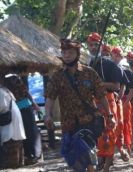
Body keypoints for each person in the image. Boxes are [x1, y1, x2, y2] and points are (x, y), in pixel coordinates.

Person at [44, 39, 115, 172]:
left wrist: (110, 115)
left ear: (77, 54)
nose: (67, 55)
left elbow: (101, 96)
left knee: (89, 158)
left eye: (70, 52)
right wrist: (47, 115)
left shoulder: (90, 73)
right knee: (76, 162)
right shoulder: (57, 76)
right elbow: (50, 98)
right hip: (68, 124)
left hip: (88, 122)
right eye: (64, 52)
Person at [87, 33, 123, 171]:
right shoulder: (86, 63)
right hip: (91, 103)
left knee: (108, 133)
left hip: (107, 101)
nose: (93, 47)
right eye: (91, 45)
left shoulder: (109, 64)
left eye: (96, 45)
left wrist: (99, 84)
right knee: (94, 135)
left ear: (101, 46)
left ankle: (107, 167)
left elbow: (116, 86)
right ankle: (98, 162)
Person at [4, 75, 41, 165]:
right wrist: (34, 104)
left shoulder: (9, 81)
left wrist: (34, 104)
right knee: (29, 132)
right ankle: (31, 155)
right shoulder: (15, 80)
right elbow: (27, 94)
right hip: (22, 108)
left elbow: (26, 93)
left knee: (28, 133)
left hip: (21, 108)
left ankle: (32, 155)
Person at [0, 74, 26, 169]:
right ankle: (17, 163)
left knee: (11, 143)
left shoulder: (1, 91)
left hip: (10, 122)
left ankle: (12, 165)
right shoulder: (5, 90)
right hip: (14, 120)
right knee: (16, 142)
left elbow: (2, 107)